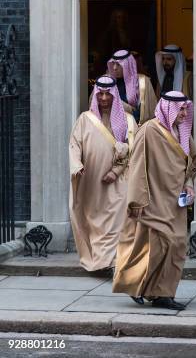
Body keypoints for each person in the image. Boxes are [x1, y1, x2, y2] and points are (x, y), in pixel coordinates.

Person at [112, 91, 196, 310]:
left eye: (186, 108)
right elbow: (138, 167)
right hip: (152, 199)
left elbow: (192, 162)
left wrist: (189, 184)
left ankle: (163, 293)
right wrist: (137, 200)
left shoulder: (183, 132)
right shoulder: (149, 130)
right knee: (155, 247)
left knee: (177, 245)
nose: (184, 112)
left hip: (174, 202)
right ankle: (135, 285)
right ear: (168, 108)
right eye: (180, 109)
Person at [69, 76, 137, 272]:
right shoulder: (84, 119)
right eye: (101, 94)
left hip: (120, 180)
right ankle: (99, 261)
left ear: (115, 95)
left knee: (116, 220)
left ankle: (113, 262)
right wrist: (76, 166)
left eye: (108, 94)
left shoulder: (129, 121)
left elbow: (134, 150)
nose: (105, 98)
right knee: (95, 221)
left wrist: (115, 172)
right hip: (91, 181)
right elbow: (74, 145)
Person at [107, 50, 157, 125]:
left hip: (134, 127)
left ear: (127, 65)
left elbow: (148, 112)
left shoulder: (142, 82)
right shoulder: (107, 81)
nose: (114, 68)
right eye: (113, 63)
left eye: (118, 64)